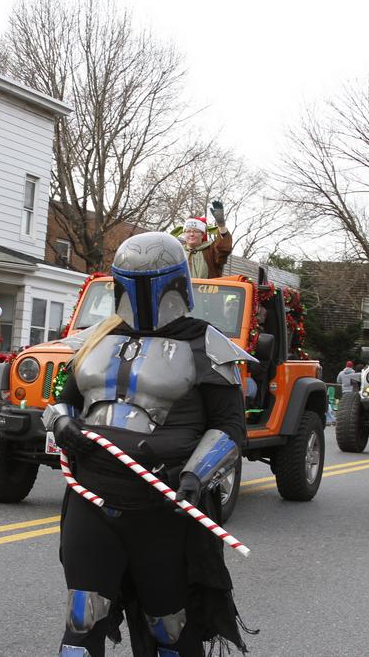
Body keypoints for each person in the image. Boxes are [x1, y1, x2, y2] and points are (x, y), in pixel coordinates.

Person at [44, 231, 253, 656]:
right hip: (94, 495)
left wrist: (195, 477)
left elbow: (230, 428)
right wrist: (63, 426)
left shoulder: (207, 344)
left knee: (168, 627)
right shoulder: (96, 339)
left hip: (164, 504)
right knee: (83, 618)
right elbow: (64, 401)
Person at [180, 200, 233, 279]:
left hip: (206, 291)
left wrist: (221, 225)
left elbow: (224, 249)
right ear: (184, 234)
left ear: (202, 235)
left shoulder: (210, 250)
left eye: (196, 231)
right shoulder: (178, 251)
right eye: (188, 231)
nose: (191, 234)